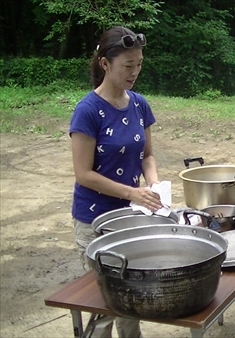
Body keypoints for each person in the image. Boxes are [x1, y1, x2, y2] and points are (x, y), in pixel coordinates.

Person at [69, 26, 162, 338]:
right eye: (128, 66)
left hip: (129, 217)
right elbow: (83, 174)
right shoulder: (88, 111)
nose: (135, 72)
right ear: (105, 64)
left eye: (138, 64)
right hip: (94, 219)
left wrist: (154, 184)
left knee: (130, 297)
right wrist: (131, 191)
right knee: (105, 304)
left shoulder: (139, 104)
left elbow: (147, 155)